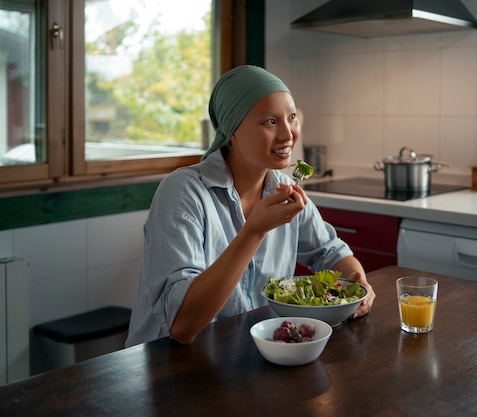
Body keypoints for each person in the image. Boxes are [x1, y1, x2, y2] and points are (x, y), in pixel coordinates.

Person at [125, 65, 375, 347]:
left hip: (245, 356)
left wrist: (359, 284)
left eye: (291, 117)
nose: (288, 134)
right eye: (270, 121)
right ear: (232, 130)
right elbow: (183, 326)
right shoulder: (183, 193)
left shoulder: (281, 187)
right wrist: (255, 230)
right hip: (168, 366)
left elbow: (331, 252)